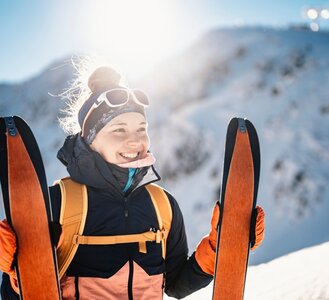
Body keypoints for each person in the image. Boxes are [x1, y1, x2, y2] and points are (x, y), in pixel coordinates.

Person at [0, 66, 265, 299]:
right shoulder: (56, 203)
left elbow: (175, 284)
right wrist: (17, 276)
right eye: (119, 130)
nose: (134, 141)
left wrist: (219, 248)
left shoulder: (162, 205)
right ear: (90, 139)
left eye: (141, 128)